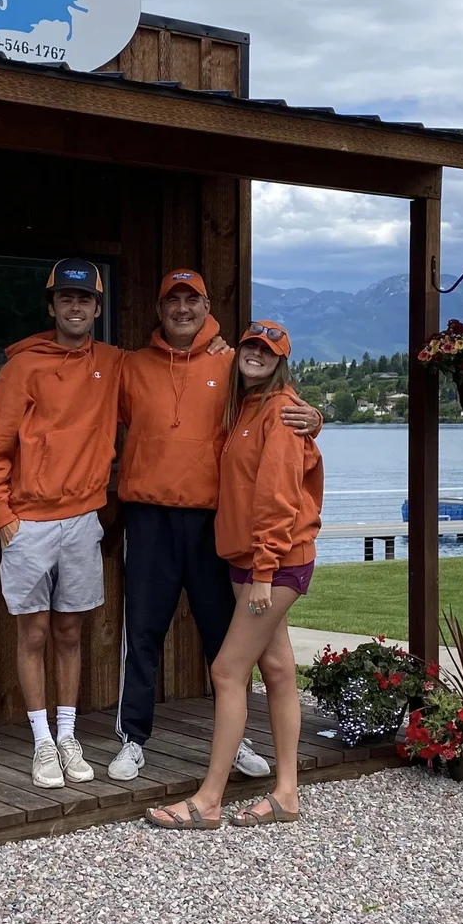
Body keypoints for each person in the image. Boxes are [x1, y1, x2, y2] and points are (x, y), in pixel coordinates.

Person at [110, 271, 320, 781]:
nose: (182, 309)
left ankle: (237, 738)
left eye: (192, 301)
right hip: (150, 516)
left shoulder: (231, 362)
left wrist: (314, 418)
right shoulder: (131, 367)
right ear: (159, 310)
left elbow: (278, 400)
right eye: (172, 301)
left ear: (207, 307)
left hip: (213, 522)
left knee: (224, 635)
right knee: (142, 630)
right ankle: (132, 739)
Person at [145, 320, 322, 829]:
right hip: (247, 560)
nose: (256, 355)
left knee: (226, 671)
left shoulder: (282, 414)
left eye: (267, 351)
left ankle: (208, 800)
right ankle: (287, 795)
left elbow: (278, 500)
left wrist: (264, 573)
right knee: (279, 670)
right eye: (249, 346)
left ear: (281, 360)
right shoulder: (247, 407)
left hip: (276, 562)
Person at [0, 259, 121, 789]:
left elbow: (170, 377)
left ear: (98, 308)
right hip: (28, 524)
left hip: (82, 520)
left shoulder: (114, 364)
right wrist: (2, 514)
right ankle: (40, 743)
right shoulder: (23, 367)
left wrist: (218, 347)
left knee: (69, 631)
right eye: (66, 299)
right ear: (52, 306)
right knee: (33, 631)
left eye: (84, 299)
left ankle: (67, 736)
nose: (76, 307)